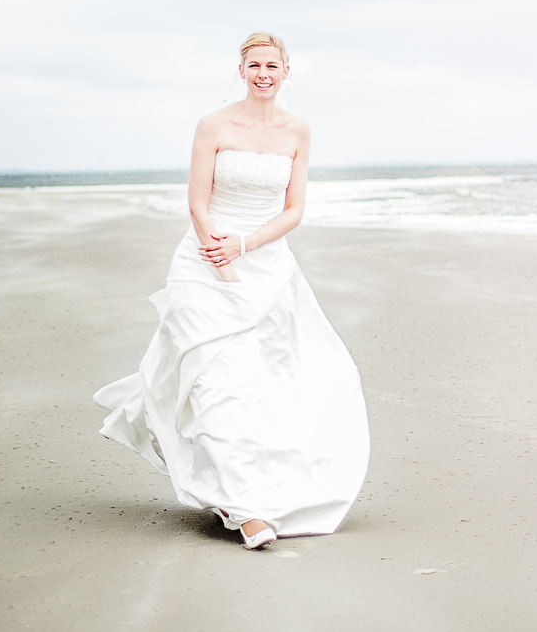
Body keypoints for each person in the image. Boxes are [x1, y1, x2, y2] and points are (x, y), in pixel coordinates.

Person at [94, 32, 370, 550]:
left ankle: (250, 487)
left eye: (272, 65)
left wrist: (245, 247)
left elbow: (294, 209)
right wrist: (218, 257)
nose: (263, 73)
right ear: (240, 70)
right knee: (215, 380)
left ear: (286, 71)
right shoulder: (213, 125)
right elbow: (197, 202)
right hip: (204, 261)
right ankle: (243, 510)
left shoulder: (298, 132)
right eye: (254, 65)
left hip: (264, 263)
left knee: (269, 382)